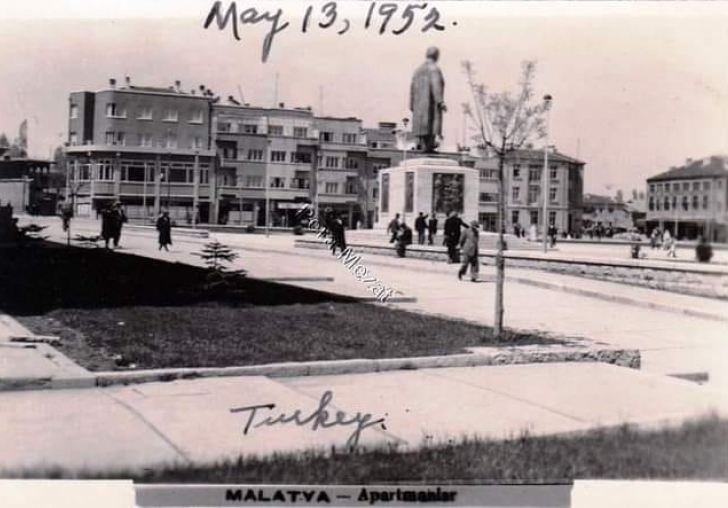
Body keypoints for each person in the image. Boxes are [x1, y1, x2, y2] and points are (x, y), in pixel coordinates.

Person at [410, 46, 446, 153]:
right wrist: (440, 101)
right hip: (430, 105)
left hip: (419, 106)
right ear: (436, 55)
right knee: (431, 125)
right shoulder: (434, 68)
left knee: (423, 127)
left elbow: (412, 89)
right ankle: (429, 147)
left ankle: (426, 146)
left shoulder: (417, 71)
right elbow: (436, 85)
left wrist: (412, 105)